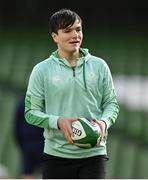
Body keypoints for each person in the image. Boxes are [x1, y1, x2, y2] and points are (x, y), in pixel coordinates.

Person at [25, 9, 119, 179]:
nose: (75, 35)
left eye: (78, 29)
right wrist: (58, 121)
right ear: (55, 36)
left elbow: (112, 104)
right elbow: (30, 113)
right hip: (56, 156)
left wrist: (104, 123)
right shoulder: (41, 70)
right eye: (67, 31)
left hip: (94, 154)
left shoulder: (100, 66)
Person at [14, 95, 44, 179]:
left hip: (28, 146)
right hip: (42, 145)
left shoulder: (23, 101)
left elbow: (17, 128)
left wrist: (22, 145)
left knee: (27, 173)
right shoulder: (48, 101)